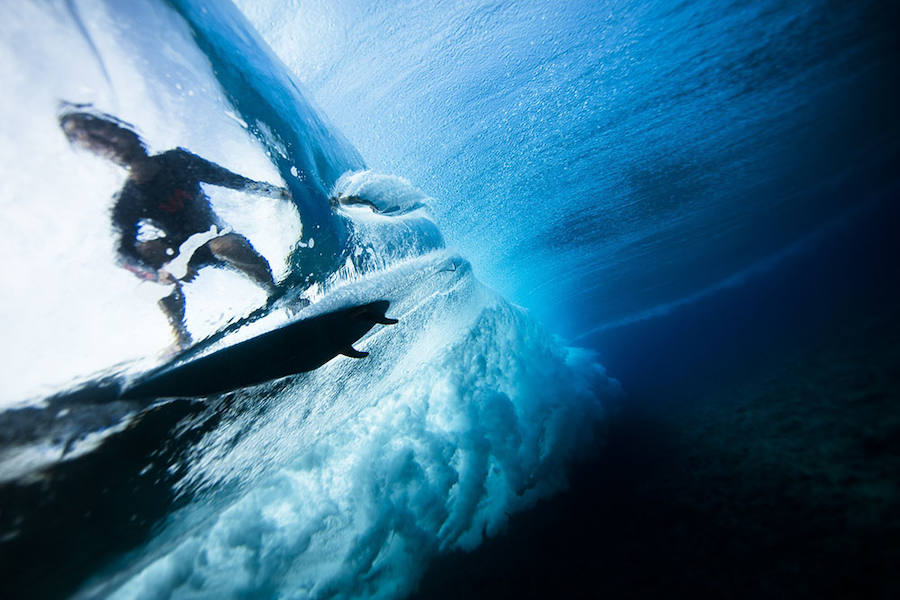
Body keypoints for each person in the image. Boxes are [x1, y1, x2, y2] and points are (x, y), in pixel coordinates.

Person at [59, 106, 292, 348]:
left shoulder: (178, 161)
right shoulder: (127, 201)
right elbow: (121, 254)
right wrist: (158, 273)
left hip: (213, 237)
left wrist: (281, 193)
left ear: (128, 132)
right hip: (177, 252)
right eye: (100, 142)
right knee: (148, 252)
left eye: (111, 133)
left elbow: (230, 180)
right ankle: (179, 334)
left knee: (229, 245)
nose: (113, 143)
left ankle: (276, 293)